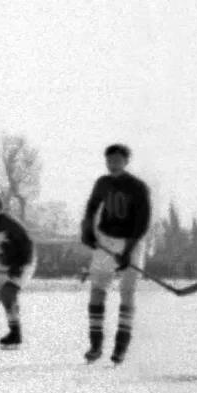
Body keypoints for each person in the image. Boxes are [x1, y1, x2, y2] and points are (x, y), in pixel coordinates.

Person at [79, 144, 151, 365]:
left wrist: (128, 251)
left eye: (117, 160)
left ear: (126, 161)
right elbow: (91, 208)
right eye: (109, 160)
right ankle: (96, 345)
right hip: (107, 239)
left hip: (133, 240)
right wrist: (88, 232)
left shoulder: (138, 186)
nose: (112, 164)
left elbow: (142, 222)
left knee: (127, 292)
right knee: (98, 290)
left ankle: (120, 348)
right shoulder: (103, 183)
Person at [0, 192, 36, 350]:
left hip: (24, 262)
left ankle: (15, 334)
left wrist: (19, 264)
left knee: (8, 293)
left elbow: (27, 243)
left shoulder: (9, 222)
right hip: (4, 263)